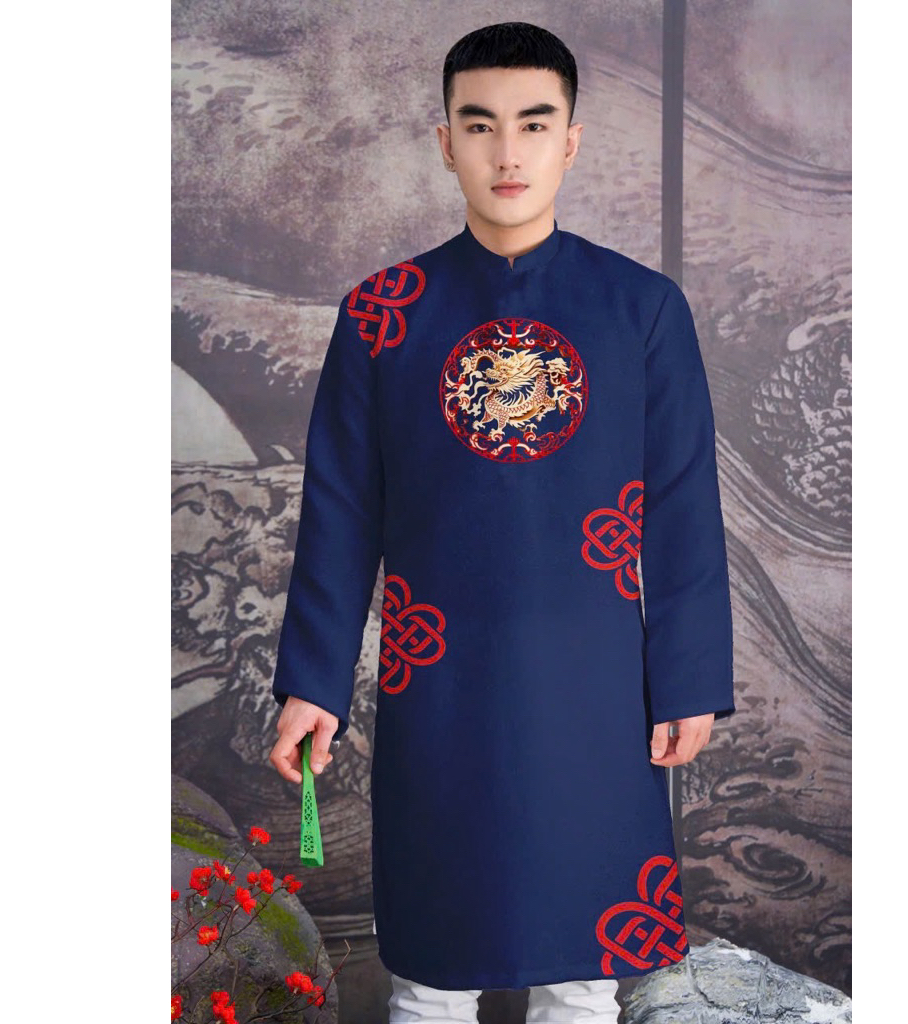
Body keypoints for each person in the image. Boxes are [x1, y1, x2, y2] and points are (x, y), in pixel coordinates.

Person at [268, 21, 735, 1024]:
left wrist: (689, 675)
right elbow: (341, 510)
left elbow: (683, 505)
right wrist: (312, 681)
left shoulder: (641, 309)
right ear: (446, 142)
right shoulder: (382, 313)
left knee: (584, 977)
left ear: (571, 141)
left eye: (534, 123)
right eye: (480, 125)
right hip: (439, 683)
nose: (507, 152)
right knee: (434, 974)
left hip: (597, 688)